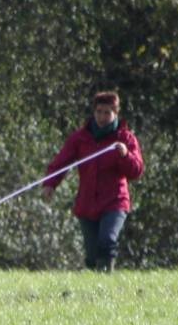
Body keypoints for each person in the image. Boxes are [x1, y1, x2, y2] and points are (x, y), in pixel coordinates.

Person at [42, 91, 144, 272]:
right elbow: (61, 162)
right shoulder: (80, 138)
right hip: (87, 204)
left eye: (107, 112)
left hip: (115, 202)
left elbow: (136, 171)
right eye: (99, 112)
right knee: (92, 254)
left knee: (107, 241)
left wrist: (125, 155)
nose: (102, 117)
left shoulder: (125, 139)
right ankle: (93, 280)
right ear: (93, 112)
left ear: (116, 113)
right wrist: (50, 183)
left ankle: (105, 281)